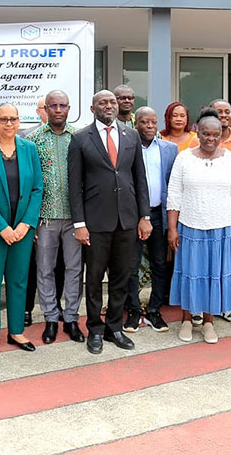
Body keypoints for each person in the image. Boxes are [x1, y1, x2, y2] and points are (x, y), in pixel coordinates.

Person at [68, 90, 152, 354]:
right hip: (95, 222)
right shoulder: (80, 138)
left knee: (121, 277)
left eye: (112, 102)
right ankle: (95, 329)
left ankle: (114, 327)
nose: (109, 106)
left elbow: (140, 178)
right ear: (93, 108)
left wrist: (144, 216)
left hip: (127, 220)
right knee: (94, 279)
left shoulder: (131, 135)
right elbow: (74, 185)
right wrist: (79, 224)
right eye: (102, 102)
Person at [0, 104, 44, 358]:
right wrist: (1, 227)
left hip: (22, 230)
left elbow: (37, 188)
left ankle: (16, 331)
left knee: (18, 280)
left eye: (13, 119)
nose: (9, 123)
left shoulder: (29, 149)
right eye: (4, 119)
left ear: (19, 122)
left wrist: (26, 224)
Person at [166, 115, 231, 344]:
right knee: (190, 272)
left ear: (221, 135)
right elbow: (174, 194)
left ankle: (209, 322)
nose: (211, 138)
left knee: (213, 274)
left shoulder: (230, 159)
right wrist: (172, 228)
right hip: (190, 226)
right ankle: (187, 319)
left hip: (220, 228)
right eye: (206, 134)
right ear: (197, 133)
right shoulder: (184, 158)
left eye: (215, 134)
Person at [26, 91, 84, 344]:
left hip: (74, 218)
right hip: (45, 218)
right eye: (53, 106)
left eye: (62, 105)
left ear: (69, 108)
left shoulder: (79, 137)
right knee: (45, 269)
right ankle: (50, 317)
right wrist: (31, 220)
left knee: (74, 269)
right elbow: (28, 182)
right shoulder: (33, 140)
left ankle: (71, 318)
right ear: (45, 109)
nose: (58, 110)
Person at [125, 107, 178, 333]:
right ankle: (134, 310)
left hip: (159, 214)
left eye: (153, 122)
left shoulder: (169, 149)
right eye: (144, 122)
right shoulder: (127, 148)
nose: (149, 126)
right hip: (133, 216)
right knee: (131, 265)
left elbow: (173, 184)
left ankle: (154, 310)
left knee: (160, 263)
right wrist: (139, 216)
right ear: (135, 124)